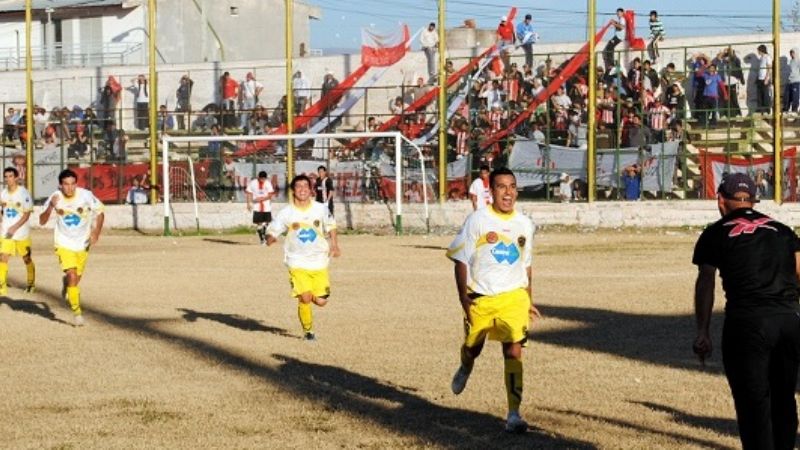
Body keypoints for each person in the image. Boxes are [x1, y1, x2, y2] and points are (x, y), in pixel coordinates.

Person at [692, 173, 800, 450]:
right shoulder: (783, 230)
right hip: (788, 322)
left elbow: (706, 281)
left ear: (720, 201)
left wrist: (702, 331)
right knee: (784, 399)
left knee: (754, 405)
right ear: (754, 199)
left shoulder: (715, 232)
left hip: (748, 324)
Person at [447, 167, 539, 434]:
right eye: (501, 187)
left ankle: (513, 414)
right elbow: (460, 260)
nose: (508, 192)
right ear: (491, 192)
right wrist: (465, 299)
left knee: (513, 350)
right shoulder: (477, 220)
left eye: (512, 186)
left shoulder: (525, 224)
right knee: (474, 347)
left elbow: (527, 264)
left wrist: (529, 298)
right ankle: (466, 363)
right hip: (481, 297)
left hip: (514, 297)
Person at [266, 174, 341, 341]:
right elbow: (273, 230)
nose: (302, 190)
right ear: (293, 190)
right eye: (298, 186)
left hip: (319, 260)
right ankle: (308, 331)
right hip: (296, 261)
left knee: (321, 302)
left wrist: (335, 245)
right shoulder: (286, 213)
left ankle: (307, 296)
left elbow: (331, 226)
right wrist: (270, 238)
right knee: (305, 297)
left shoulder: (320, 208)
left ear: (311, 190)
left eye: (305, 187)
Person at [39, 169, 105, 327]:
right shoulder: (55, 197)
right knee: (73, 276)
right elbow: (41, 221)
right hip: (63, 243)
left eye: (72, 184)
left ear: (76, 183)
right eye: (66, 184)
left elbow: (101, 212)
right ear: (60, 185)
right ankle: (77, 313)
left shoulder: (86, 195)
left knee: (75, 280)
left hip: (82, 243)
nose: (70, 188)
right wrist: (50, 207)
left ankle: (67, 285)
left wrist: (96, 232)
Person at [0, 168, 35, 295]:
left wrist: (15, 227)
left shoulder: (24, 193)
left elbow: (26, 214)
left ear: (16, 178)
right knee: (3, 257)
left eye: (10, 176)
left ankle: (31, 283)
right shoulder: (3, 193)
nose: (8, 179)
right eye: (6, 176)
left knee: (26, 258)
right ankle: (2, 286)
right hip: (6, 232)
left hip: (21, 233)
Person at [245, 171, 275, 245]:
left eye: (264, 179)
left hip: (266, 206)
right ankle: (262, 240)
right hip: (257, 206)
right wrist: (248, 203)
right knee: (259, 224)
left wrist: (262, 199)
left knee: (267, 222)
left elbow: (270, 195)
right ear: (258, 177)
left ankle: (264, 234)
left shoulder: (268, 183)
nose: (262, 180)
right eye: (261, 178)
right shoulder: (253, 183)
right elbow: (249, 193)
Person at [755, 44, 772, 114]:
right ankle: (760, 109)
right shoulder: (761, 58)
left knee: (765, 95)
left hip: (764, 79)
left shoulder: (767, 57)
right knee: (759, 95)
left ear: (761, 50)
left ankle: (767, 110)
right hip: (760, 79)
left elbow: (769, 68)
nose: (758, 52)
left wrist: (767, 79)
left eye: (758, 50)